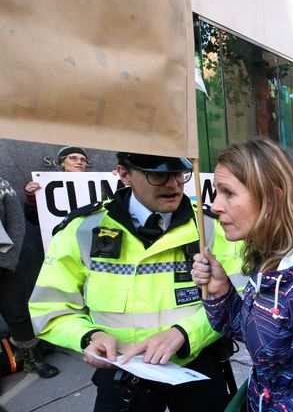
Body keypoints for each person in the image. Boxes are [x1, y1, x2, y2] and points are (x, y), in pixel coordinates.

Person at [28, 152, 244, 411]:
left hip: (196, 366)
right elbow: (51, 306)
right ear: (123, 173)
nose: (173, 184)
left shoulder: (211, 227)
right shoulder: (83, 228)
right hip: (120, 373)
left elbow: (240, 295)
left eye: (178, 173)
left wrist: (184, 334)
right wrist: (88, 337)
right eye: (158, 175)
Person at [190, 137, 293, 410]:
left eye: (228, 193)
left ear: (273, 197)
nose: (216, 206)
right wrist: (220, 291)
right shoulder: (271, 254)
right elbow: (260, 338)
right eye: (217, 193)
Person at [0, 178, 59, 379]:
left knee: (17, 313)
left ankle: (32, 360)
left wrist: (7, 259)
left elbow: (16, 224)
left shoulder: (3, 185)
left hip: (3, 264)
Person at [23, 146, 89, 224]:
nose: (79, 162)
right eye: (73, 158)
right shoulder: (47, 185)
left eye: (83, 160)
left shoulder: (97, 186)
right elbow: (34, 219)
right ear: (62, 163)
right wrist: (32, 198)